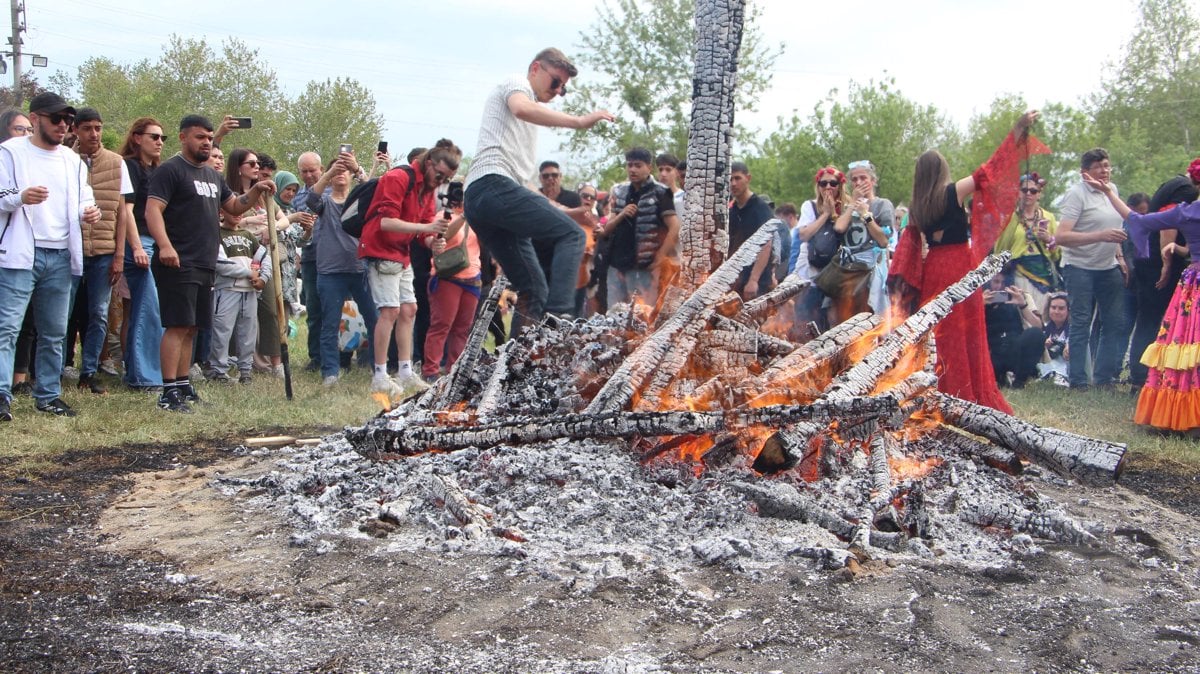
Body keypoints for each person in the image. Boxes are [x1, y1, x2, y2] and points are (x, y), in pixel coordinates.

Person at [890, 110, 1043, 413]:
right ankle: (966, 392)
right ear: (942, 170)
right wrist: (1016, 132)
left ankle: (938, 391)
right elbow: (991, 170)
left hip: (934, 270)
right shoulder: (953, 192)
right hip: (959, 267)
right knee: (965, 331)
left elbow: (910, 249)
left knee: (941, 334)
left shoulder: (917, 206)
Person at [463, 47, 613, 331]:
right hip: (491, 184)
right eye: (555, 81)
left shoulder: (525, 132)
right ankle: (558, 320)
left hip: (487, 200)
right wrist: (579, 122)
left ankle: (521, 353)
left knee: (533, 289)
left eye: (563, 89)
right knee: (571, 236)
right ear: (535, 68)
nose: (557, 91)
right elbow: (521, 107)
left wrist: (567, 211)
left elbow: (527, 189)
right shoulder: (517, 83)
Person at [144, 114, 276, 413]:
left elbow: (234, 207)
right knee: (177, 325)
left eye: (208, 137)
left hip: (206, 263)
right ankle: (168, 392)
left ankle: (183, 385)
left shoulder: (212, 176)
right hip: (178, 260)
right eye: (199, 137)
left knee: (192, 327)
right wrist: (164, 246)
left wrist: (256, 190)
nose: (206, 142)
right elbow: (152, 210)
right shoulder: (171, 170)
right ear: (183, 138)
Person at [0, 93, 102, 421]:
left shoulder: (72, 161)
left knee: (55, 332)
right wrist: (21, 197)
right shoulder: (10, 152)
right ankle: (2, 395)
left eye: (67, 120)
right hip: (20, 253)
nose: (63, 125)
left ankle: (48, 395)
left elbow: (84, 199)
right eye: (56, 119)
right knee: (7, 327)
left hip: (60, 254)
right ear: (35, 119)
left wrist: (89, 212)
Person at [1087, 174, 1200, 431]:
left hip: (1193, 286)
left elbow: (1135, 219)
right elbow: (1136, 219)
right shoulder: (1186, 212)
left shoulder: (1186, 212)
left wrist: (1109, 193)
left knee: (1188, 347)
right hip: (1195, 288)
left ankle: (1187, 415)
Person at [362, 141, 460, 398]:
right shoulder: (397, 177)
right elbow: (386, 222)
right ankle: (380, 376)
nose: (440, 182)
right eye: (439, 175)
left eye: (446, 179)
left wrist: (432, 242)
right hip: (381, 250)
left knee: (409, 309)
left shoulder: (427, 189)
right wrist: (426, 229)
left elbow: (423, 231)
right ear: (429, 163)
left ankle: (405, 371)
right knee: (390, 311)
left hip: (401, 253)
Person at [70, 108, 133, 395]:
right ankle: (57, 369)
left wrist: (119, 255)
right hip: (70, 248)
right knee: (65, 313)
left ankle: (89, 372)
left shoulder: (117, 162)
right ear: (75, 130)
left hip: (105, 250)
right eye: (87, 128)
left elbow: (123, 213)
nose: (94, 134)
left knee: (98, 313)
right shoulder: (65, 159)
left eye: (98, 128)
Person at [1055, 148, 1129, 390]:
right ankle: (1078, 381)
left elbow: (1114, 227)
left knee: (1114, 322)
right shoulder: (1076, 195)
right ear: (1084, 172)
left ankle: (1104, 378)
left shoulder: (1112, 190)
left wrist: (1119, 256)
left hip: (1108, 265)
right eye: (1098, 167)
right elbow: (1061, 236)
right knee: (1081, 321)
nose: (1104, 171)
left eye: (1106, 165)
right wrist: (1100, 235)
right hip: (1079, 266)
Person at [1126, 166, 1199, 396]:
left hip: (1147, 260)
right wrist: (1166, 263)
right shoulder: (1187, 190)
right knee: (1159, 321)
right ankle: (1142, 378)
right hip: (1158, 264)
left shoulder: (1174, 183)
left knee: (1150, 319)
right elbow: (1169, 225)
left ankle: (1141, 378)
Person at [307, 156, 377, 386]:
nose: (340, 173)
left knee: (374, 320)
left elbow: (374, 192)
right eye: (336, 170)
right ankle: (330, 372)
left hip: (360, 269)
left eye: (344, 170)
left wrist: (357, 168)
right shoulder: (325, 203)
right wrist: (328, 174)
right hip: (330, 272)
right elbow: (311, 199)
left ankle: (378, 369)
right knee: (330, 323)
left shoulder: (358, 201)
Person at [119, 117, 166, 391]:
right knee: (147, 307)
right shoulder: (128, 166)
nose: (160, 142)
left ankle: (148, 372)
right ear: (137, 138)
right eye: (154, 137)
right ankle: (143, 376)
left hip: (156, 243)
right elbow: (126, 211)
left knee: (154, 308)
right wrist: (136, 247)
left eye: (162, 138)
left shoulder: (158, 171)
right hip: (137, 242)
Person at [600, 147, 679, 306]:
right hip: (617, 264)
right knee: (614, 312)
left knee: (641, 313)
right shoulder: (619, 191)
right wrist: (622, 214)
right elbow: (606, 230)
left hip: (644, 267)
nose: (633, 170)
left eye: (638, 165)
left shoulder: (661, 192)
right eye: (630, 165)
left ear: (649, 167)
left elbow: (675, 227)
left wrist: (660, 257)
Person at [207, 207, 270, 383]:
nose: (237, 214)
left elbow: (265, 257)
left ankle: (246, 370)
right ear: (222, 212)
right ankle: (218, 370)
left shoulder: (248, 236)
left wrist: (264, 278)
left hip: (249, 291)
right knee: (222, 329)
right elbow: (220, 264)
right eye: (232, 210)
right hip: (226, 289)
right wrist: (248, 273)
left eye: (240, 211)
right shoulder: (216, 234)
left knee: (248, 332)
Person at [993, 172, 1060, 325]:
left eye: (1033, 191)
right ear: (1018, 192)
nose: (1028, 194)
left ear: (1039, 194)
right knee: (1022, 315)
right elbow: (999, 250)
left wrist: (1049, 240)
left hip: (1043, 274)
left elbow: (1056, 254)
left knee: (1043, 317)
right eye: (1024, 190)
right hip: (1019, 273)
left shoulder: (1048, 217)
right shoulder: (1010, 218)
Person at [831, 160, 894, 321]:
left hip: (871, 273)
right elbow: (839, 228)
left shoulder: (882, 205)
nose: (858, 183)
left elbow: (883, 241)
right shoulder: (847, 208)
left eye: (863, 178)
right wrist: (853, 204)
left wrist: (865, 215)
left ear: (873, 181)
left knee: (872, 319)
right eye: (854, 179)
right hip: (848, 273)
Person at [795, 167, 849, 330]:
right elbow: (803, 235)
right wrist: (825, 214)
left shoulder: (848, 208)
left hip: (838, 274)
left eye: (833, 183)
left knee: (835, 322)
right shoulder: (809, 206)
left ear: (840, 185)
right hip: (812, 272)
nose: (828, 187)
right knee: (808, 320)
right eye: (823, 183)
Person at [983, 273, 1044, 389]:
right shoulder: (977, 299)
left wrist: (1022, 305)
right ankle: (999, 378)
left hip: (1015, 347)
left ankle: (1019, 382)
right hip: (991, 351)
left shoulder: (1021, 296)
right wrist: (980, 306)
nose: (999, 286)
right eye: (996, 282)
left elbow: (1038, 326)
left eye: (1003, 283)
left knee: (1036, 334)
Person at [292, 151, 324, 371]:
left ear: (321, 169)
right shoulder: (298, 197)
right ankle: (316, 356)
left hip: (334, 258)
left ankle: (342, 354)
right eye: (304, 171)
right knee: (313, 308)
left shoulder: (333, 190)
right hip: (310, 257)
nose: (309, 175)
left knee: (341, 307)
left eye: (312, 170)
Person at [728, 161, 776, 300]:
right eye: (730, 179)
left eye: (737, 178)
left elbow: (766, 245)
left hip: (757, 281)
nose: (733, 183)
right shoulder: (732, 211)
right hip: (735, 279)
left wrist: (753, 280)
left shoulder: (760, 208)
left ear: (748, 178)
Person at [1038, 292, 1070, 384]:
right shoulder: (1046, 327)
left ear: (1068, 310)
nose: (1056, 311)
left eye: (1061, 308)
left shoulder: (1072, 329)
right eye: (1053, 307)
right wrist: (1045, 344)